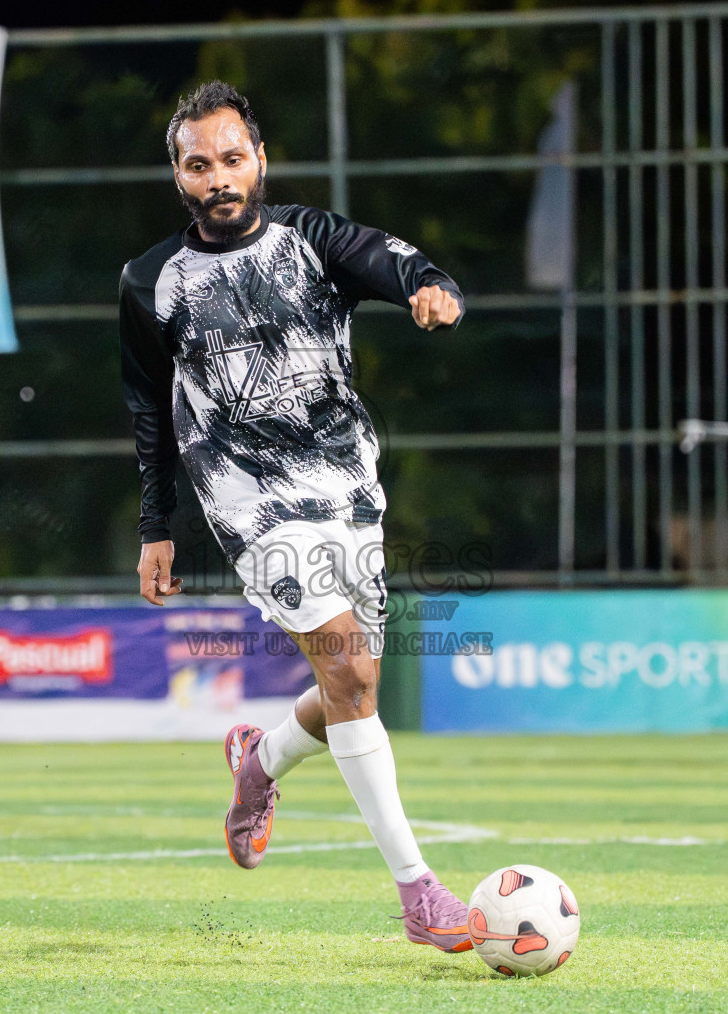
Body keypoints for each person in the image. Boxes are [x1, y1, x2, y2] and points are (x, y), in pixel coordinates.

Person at [119, 82, 471, 952]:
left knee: (353, 687)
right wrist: (155, 524)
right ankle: (419, 894)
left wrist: (432, 289)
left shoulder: (313, 240)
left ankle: (261, 759)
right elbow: (148, 409)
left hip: (347, 485)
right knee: (349, 668)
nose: (219, 178)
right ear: (179, 176)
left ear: (260, 160)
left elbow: (404, 264)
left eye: (232, 159)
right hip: (246, 497)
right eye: (199, 165)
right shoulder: (149, 281)